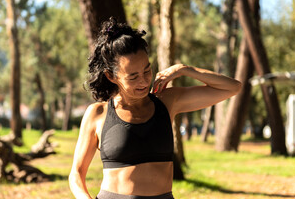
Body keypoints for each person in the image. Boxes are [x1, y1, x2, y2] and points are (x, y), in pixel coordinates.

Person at [69, 17, 242, 199]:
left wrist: (185, 69)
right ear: (111, 76)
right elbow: (76, 174)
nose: (143, 81)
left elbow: (232, 87)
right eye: (133, 77)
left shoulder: (167, 102)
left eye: (147, 70)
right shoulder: (98, 113)